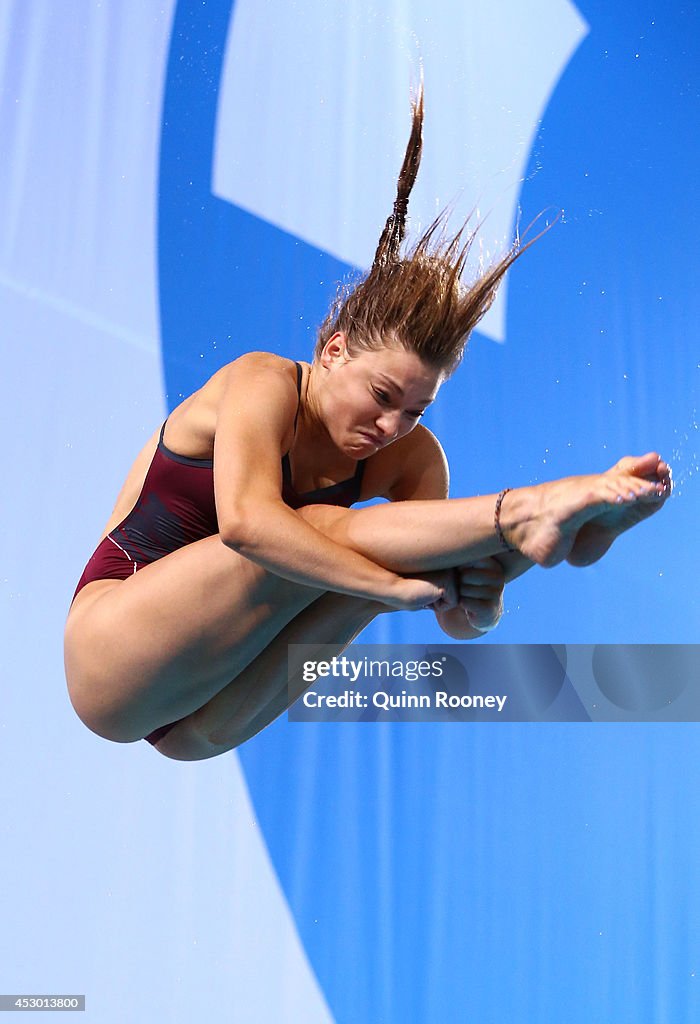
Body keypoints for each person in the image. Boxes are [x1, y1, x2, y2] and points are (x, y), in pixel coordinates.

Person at [63, 85, 671, 761]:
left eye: (416, 409)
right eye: (383, 395)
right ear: (333, 350)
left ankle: (538, 535)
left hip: (208, 721)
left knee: (397, 564)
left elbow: (453, 618)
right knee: (323, 540)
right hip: (112, 660)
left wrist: (484, 590)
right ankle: (524, 510)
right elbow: (244, 524)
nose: (392, 425)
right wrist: (388, 584)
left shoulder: (414, 460)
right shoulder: (263, 381)